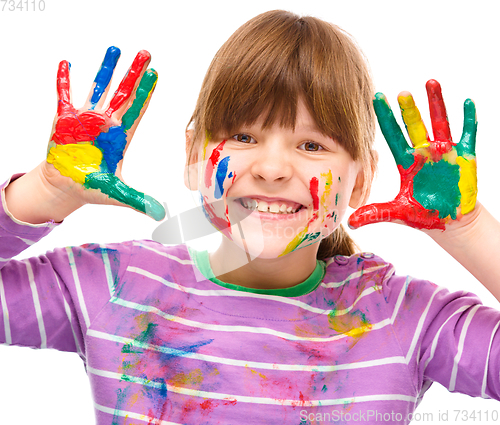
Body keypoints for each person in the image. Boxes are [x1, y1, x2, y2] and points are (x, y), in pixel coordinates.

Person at [1, 9, 499, 425]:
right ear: (193, 156)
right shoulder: (116, 285)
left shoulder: (401, 318)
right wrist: (45, 191)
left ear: (362, 178)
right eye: (243, 137)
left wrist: (467, 229)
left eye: (311, 144)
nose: (272, 168)